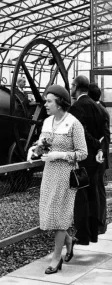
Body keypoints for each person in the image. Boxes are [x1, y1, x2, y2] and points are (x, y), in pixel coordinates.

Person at [27, 85, 87, 274]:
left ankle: (56, 258)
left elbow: (83, 153)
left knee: (60, 216)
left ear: (60, 104)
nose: (45, 104)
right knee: (50, 214)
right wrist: (34, 149)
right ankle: (69, 240)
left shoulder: (74, 124)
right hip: (49, 174)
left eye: (49, 101)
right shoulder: (47, 122)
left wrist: (59, 155)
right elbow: (43, 144)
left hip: (66, 175)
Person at [68, 75, 105, 245]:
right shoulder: (97, 107)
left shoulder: (76, 107)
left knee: (80, 196)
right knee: (92, 195)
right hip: (96, 159)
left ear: (76, 86)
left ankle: (82, 234)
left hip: (82, 158)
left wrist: (94, 143)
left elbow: (80, 132)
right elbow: (101, 132)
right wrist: (99, 147)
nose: (70, 88)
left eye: (71, 85)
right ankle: (93, 234)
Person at [88, 83, 110, 234]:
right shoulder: (101, 109)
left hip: (95, 157)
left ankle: (98, 224)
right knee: (98, 189)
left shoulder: (96, 111)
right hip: (99, 156)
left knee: (96, 190)